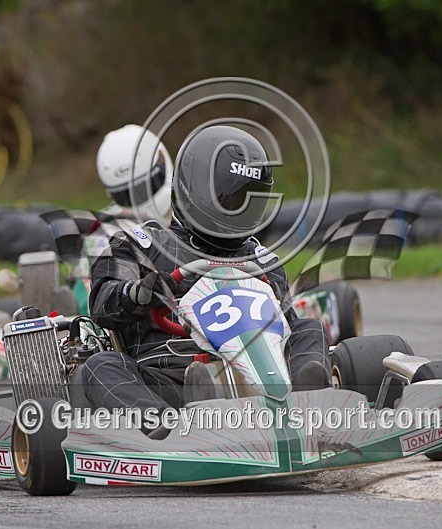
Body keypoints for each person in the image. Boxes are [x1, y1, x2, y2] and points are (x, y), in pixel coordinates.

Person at [81, 125, 331, 437]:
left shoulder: (263, 259)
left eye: (248, 201)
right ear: (196, 190)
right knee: (98, 366)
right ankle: (162, 428)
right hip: (170, 377)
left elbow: (287, 330)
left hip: (256, 374)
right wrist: (139, 294)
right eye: (231, 200)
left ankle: (309, 403)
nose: (239, 210)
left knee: (310, 329)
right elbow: (102, 303)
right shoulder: (142, 245)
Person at [69, 124, 174, 314]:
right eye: (127, 194)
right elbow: (87, 310)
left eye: (143, 189)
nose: (137, 202)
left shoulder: (195, 211)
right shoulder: (104, 235)